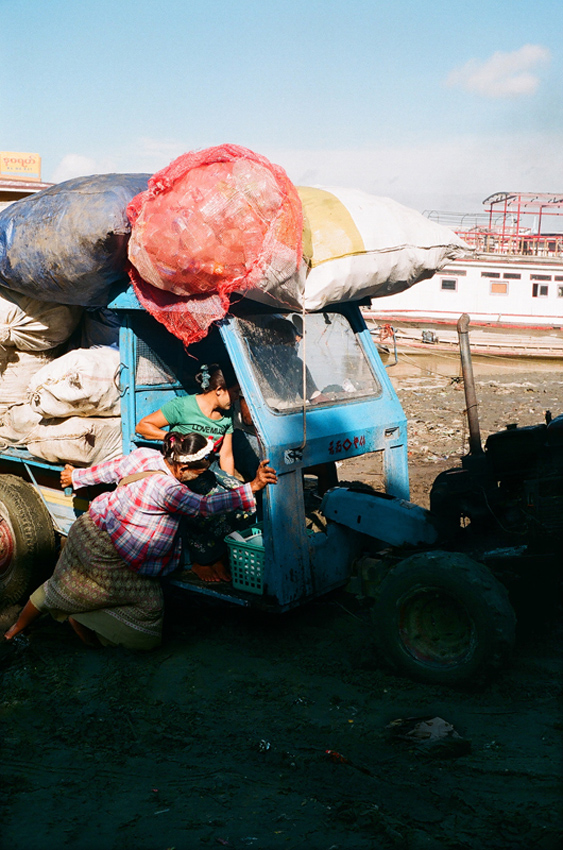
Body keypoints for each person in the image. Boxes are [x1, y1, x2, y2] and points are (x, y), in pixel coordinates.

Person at [3, 432, 277, 650]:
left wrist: (75, 476)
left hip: (87, 530)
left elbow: (110, 470)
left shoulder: (145, 456)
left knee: (62, 582)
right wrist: (251, 487)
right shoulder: (169, 489)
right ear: (182, 467)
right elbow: (205, 507)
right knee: (147, 617)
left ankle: (14, 630)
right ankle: (83, 623)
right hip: (112, 557)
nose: (204, 472)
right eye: (200, 468)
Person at [136, 363, 238, 475]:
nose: (237, 397)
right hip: (181, 470)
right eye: (235, 392)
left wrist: (232, 486)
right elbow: (142, 427)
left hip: (206, 471)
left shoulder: (227, 414)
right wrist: (173, 439)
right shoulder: (182, 406)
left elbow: (226, 455)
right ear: (219, 390)